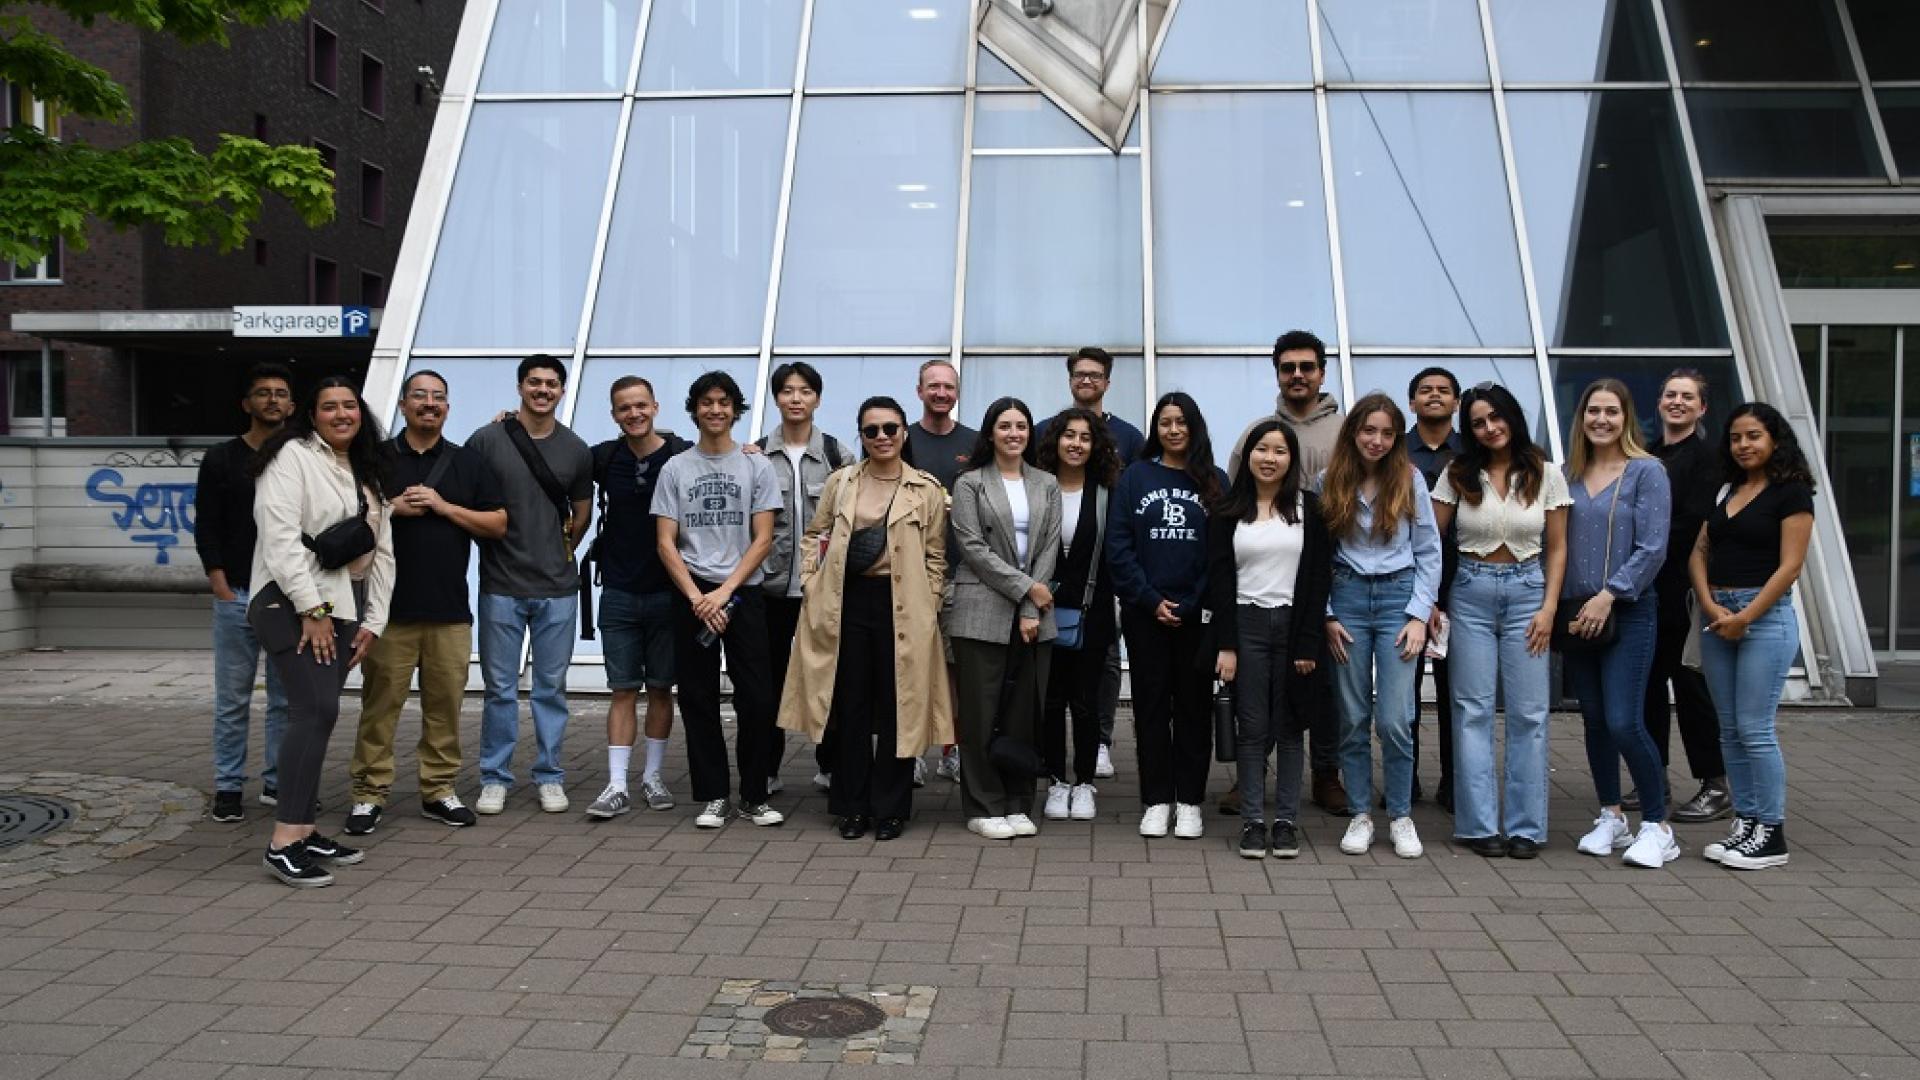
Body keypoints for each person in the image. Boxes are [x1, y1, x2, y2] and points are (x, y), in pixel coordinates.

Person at [778, 397, 953, 841]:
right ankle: (851, 806)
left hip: (904, 606)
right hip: (847, 602)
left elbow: (936, 555)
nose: (881, 437)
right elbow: (814, 535)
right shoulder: (841, 483)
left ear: (904, 433)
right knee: (850, 706)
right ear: (861, 434)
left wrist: (929, 601)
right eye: (871, 430)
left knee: (899, 707)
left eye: (890, 428)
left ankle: (891, 808)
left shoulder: (926, 490)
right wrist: (812, 581)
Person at [346, 370, 505, 835]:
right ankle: (367, 794)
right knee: (380, 708)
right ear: (402, 405)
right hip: (386, 612)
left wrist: (443, 506)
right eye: (420, 396)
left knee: (445, 708)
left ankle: (439, 790)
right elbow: (345, 517)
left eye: (438, 397)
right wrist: (392, 509)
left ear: (448, 408)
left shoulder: (467, 463)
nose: (429, 404)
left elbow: (497, 524)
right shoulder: (374, 460)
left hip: (450, 610)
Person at [249, 377, 394, 886]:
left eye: (349, 405)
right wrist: (312, 608)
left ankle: (304, 829)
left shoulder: (367, 470)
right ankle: (284, 841)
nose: (341, 414)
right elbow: (279, 537)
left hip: (343, 606)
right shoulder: (293, 457)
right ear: (311, 416)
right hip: (288, 601)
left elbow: (383, 554)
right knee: (315, 710)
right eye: (329, 407)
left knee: (320, 716)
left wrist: (373, 622)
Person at [1429, 384, 1568, 859]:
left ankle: (1526, 828)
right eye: (1478, 423)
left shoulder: (1546, 473)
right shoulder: (1456, 474)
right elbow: (1433, 541)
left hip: (1530, 592)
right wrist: (1430, 602)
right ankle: (1478, 825)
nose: (1489, 429)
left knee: (1529, 714)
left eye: (1496, 418)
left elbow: (1557, 548)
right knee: (1472, 711)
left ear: (1512, 417)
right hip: (1469, 592)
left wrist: (1549, 608)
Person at [653, 371, 786, 829]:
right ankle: (713, 795)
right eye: (706, 402)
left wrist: (725, 592)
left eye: (724, 402)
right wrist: (697, 597)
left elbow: (763, 537)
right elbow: (666, 542)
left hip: (743, 595)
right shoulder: (675, 468)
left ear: (736, 409)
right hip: (691, 595)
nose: (715, 410)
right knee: (697, 696)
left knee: (758, 698)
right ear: (694, 409)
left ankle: (754, 794)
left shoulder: (756, 465)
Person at [1227, 330, 1349, 816]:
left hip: (1332, 572)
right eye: (1287, 368)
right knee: (1257, 691)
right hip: (1267, 578)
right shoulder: (1257, 433)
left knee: (1319, 687)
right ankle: (1251, 779)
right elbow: (1235, 500)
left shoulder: (1345, 430)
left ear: (1322, 371)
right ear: (1276, 372)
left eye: (1307, 367)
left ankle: (1326, 773)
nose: (1297, 375)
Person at [466, 355, 594, 815]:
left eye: (552, 384)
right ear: (520, 387)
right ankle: (494, 777)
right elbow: (468, 500)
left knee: (550, 688)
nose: (543, 390)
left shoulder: (576, 449)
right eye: (535, 382)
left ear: (561, 391)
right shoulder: (486, 439)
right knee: (499, 688)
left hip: (558, 589)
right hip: (500, 585)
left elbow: (582, 512)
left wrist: (559, 552)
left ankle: (549, 775)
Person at [1690, 403, 1814, 871]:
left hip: (1764, 617)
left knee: (1755, 729)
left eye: (1754, 436)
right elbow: (1699, 553)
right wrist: (1709, 603)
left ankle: (1771, 833)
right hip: (1719, 614)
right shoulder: (1728, 489)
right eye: (1737, 437)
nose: (1744, 445)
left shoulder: (1793, 493)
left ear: (1775, 440)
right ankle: (1745, 822)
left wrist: (1747, 616)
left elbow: (1790, 567)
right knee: (1729, 729)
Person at [1319, 393, 1442, 860]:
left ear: (1397, 438)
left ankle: (1401, 815)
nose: (1377, 440)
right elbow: (1319, 557)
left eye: (1387, 433)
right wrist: (1328, 613)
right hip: (1348, 598)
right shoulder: (1329, 480)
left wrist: (1417, 615)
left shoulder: (1410, 480)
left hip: (1397, 598)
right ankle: (1359, 814)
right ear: (1353, 432)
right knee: (1351, 717)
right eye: (1369, 430)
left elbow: (1430, 551)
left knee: (1395, 718)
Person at [1562, 378, 1676, 869]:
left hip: (1626, 610)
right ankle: (1611, 815)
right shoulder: (1568, 472)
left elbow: (1654, 547)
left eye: (1611, 411)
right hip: (1577, 612)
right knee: (1593, 719)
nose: (1601, 420)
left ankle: (1658, 825)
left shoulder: (1647, 472)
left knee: (1625, 720)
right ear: (1581, 417)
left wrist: (1609, 595)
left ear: (1626, 417)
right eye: (1593, 411)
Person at [1208, 419, 1332, 860]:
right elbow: (1219, 583)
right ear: (1249, 455)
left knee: (1291, 726)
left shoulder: (1310, 509)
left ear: (1291, 459)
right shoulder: (1227, 511)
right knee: (1253, 728)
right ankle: (1252, 822)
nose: (1270, 458)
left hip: (1293, 627)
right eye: (1263, 449)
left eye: (1280, 451)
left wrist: (1307, 644)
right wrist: (1227, 645)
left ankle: (1285, 822)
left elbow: (1318, 581)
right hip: (1246, 627)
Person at [1108, 392, 1225, 840]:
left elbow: (1220, 552)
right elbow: (1119, 546)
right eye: (1165, 422)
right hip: (1145, 614)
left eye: (1181, 422)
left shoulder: (1214, 480)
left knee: (1195, 709)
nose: (1173, 430)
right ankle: (1157, 799)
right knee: (1152, 708)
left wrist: (1194, 602)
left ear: (1194, 427)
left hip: (1198, 617)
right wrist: (1148, 598)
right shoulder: (1135, 477)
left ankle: (1190, 801)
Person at [944, 397, 1062, 840]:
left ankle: (1017, 802)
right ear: (990, 432)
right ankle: (983, 804)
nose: (1014, 433)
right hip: (980, 609)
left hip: (1036, 613)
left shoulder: (1046, 483)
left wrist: (1032, 604)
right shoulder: (969, 483)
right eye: (1005, 425)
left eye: (1021, 426)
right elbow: (973, 549)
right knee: (979, 713)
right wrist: (1025, 588)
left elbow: (1049, 548)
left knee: (1023, 715)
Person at [583, 376, 691, 819]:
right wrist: (509, 422)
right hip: (620, 590)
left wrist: (748, 450)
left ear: (655, 407)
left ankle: (652, 777)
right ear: (614, 414)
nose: (634, 413)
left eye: (641, 405)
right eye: (624, 408)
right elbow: (550, 456)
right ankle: (615, 785)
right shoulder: (603, 457)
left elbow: (722, 459)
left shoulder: (683, 455)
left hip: (670, 591)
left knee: (662, 688)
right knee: (623, 689)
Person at [1038, 347, 1144, 782]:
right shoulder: (1046, 436)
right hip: (1048, 590)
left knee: (1099, 669)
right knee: (1051, 681)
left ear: (1107, 381)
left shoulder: (1130, 437)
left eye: (1095, 375)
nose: (1087, 381)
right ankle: (1048, 758)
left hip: (1101, 584)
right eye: (1079, 374)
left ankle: (1098, 744)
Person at [196, 362, 294, 822]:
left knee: (285, 699)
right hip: (236, 593)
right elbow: (207, 525)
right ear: (246, 404)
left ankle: (277, 783)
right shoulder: (220, 458)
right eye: (263, 393)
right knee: (233, 699)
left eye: (280, 393)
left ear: (292, 405)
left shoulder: (299, 457)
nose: (272, 400)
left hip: (287, 598)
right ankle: (228, 787)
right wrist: (219, 586)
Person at [756, 362, 854, 797]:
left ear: (817, 398)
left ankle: (830, 765)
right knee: (769, 681)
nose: (796, 398)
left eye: (805, 391)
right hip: (771, 586)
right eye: (787, 391)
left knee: (830, 677)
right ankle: (767, 767)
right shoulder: (755, 454)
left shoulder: (838, 454)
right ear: (777, 398)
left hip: (823, 589)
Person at [1643, 369, 1730, 823]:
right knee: (1648, 688)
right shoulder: (1648, 453)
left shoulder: (1709, 460)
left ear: (1702, 408)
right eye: (1670, 394)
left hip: (1684, 590)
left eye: (1687, 397)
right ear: (1659, 402)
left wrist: (1642, 546)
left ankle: (1715, 783)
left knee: (1691, 687)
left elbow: (1695, 523)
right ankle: (1653, 777)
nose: (1677, 402)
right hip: (1646, 590)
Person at [1036, 407, 1121, 822]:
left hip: (1093, 611)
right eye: (1069, 435)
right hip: (1042, 609)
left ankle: (1084, 782)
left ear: (1096, 445)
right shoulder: (1037, 487)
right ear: (1056, 440)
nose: (1076, 444)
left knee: (1086, 702)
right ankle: (1056, 781)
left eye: (1085, 437)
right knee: (1051, 701)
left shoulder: (1108, 491)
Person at [911, 359, 976, 783]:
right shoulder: (900, 438)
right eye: (932, 386)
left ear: (956, 393)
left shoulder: (974, 442)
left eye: (947, 387)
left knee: (956, 668)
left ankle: (952, 749)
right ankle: (913, 750)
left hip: (960, 573)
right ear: (919, 391)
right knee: (912, 665)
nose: (940, 393)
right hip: (909, 573)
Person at [1406, 367, 1463, 811]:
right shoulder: (1394, 450)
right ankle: (1404, 779)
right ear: (1412, 403)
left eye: (1444, 391)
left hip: (1460, 585)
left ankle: (1455, 780)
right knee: (1402, 692)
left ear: (1456, 403)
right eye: (1425, 390)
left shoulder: (1470, 453)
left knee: (1455, 691)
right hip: (1404, 584)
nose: (1435, 396)